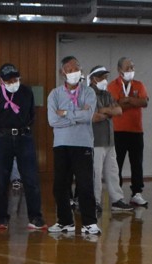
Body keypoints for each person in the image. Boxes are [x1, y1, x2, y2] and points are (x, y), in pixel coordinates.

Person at [0, 62, 43, 231]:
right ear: (2, 81)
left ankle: (35, 216)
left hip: (24, 137)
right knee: (2, 179)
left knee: (30, 178)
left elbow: (31, 115)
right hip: (3, 138)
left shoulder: (26, 92)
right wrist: (1, 133)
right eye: (9, 81)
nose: (13, 83)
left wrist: (23, 129)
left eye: (15, 79)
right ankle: (2, 217)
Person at [47, 55, 96, 237]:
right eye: (69, 70)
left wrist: (66, 113)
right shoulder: (55, 94)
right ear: (63, 73)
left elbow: (88, 116)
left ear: (81, 70)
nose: (73, 72)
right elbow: (53, 120)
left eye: (76, 69)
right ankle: (64, 221)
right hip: (61, 144)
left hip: (83, 144)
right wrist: (77, 116)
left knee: (85, 184)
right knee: (60, 185)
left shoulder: (88, 92)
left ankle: (89, 223)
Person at [111, 56, 148, 206]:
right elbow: (115, 106)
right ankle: (117, 195)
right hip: (118, 131)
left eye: (132, 67)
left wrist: (126, 100)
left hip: (136, 131)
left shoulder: (139, 84)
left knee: (137, 163)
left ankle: (137, 193)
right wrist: (134, 101)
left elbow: (144, 102)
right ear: (119, 70)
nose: (130, 70)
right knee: (117, 164)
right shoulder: (113, 85)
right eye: (127, 68)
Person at [89, 67, 126, 214]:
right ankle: (95, 201)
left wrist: (104, 110)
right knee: (95, 173)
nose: (104, 80)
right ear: (93, 79)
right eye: (101, 77)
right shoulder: (89, 94)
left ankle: (117, 199)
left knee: (112, 171)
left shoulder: (107, 94)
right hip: (96, 140)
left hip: (110, 140)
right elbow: (94, 117)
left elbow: (119, 111)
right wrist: (109, 112)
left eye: (105, 77)